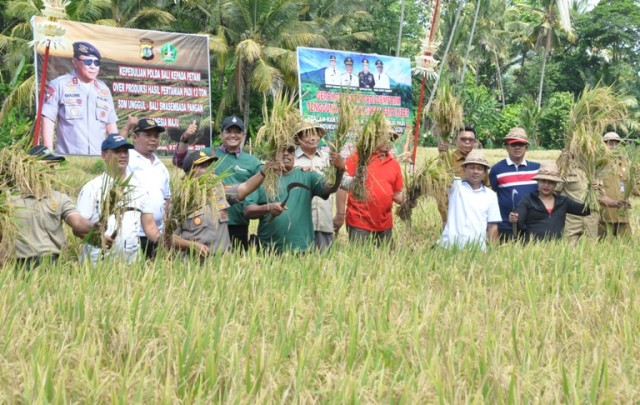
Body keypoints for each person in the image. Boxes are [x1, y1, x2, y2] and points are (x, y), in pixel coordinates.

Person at [173, 115, 263, 250]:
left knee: (231, 262)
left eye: (237, 132)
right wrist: (185, 138)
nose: (233, 135)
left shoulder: (252, 161)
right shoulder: (209, 154)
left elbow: (254, 184)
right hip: (204, 223)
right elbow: (180, 162)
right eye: (228, 131)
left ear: (243, 135)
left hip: (237, 222)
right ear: (221, 134)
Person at [243, 145, 345, 254]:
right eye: (281, 149)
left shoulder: (307, 176)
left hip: (302, 251)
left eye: (291, 150)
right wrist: (268, 208)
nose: (286, 153)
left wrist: (339, 171)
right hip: (267, 251)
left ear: (294, 155)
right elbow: (248, 211)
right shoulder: (261, 179)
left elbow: (330, 188)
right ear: (273, 153)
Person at [171, 149, 273, 258]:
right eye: (204, 167)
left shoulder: (219, 191)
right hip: (193, 266)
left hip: (222, 266)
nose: (211, 170)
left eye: (210, 166)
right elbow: (169, 238)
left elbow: (245, 187)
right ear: (190, 172)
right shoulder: (180, 201)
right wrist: (192, 245)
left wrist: (264, 171)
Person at [77, 134, 161, 263]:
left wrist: (167, 244)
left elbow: (150, 228)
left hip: (131, 263)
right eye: (117, 151)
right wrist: (98, 239)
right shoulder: (92, 187)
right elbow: (77, 228)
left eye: (125, 151)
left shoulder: (139, 188)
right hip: (97, 262)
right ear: (104, 155)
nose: (123, 155)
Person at [10, 146, 94, 268]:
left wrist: (94, 228)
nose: (51, 171)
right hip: (16, 266)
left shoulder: (60, 199)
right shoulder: (10, 199)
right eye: (46, 166)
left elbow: (77, 221)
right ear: (30, 168)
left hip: (51, 266)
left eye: (53, 166)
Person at [41, 41, 117, 155]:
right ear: (75, 62)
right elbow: (48, 119)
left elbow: (111, 126)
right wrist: (48, 152)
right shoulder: (59, 85)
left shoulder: (104, 90)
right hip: (70, 159)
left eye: (96, 62)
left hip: (99, 159)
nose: (93, 66)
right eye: (88, 61)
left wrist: (115, 152)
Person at [335, 130, 404, 246]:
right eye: (384, 138)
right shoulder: (359, 158)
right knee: (361, 261)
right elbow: (342, 185)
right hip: (359, 222)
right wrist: (340, 214)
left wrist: (412, 197)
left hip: (384, 224)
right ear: (374, 138)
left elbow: (397, 195)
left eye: (391, 139)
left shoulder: (394, 164)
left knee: (385, 261)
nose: (388, 142)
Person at [125, 118, 171, 259]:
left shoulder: (161, 166)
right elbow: (112, 146)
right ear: (134, 137)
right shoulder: (126, 159)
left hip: (157, 234)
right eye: (148, 135)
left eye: (156, 136)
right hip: (133, 234)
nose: (153, 139)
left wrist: (168, 227)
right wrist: (127, 126)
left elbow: (167, 198)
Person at [509, 162, 590, 241]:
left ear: (556, 184)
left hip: (555, 250)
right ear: (538, 181)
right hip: (533, 250)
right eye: (543, 181)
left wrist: (594, 191)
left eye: (551, 182)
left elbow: (585, 210)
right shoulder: (528, 200)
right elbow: (518, 222)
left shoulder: (562, 201)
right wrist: (513, 219)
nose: (546, 185)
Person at [439, 150, 501, 250]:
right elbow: (441, 173)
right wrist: (442, 152)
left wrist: (494, 252)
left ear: (485, 173)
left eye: (480, 169)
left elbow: (492, 226)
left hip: (476, 250)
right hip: (448, 247)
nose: (475, 171)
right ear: (464, 169)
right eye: (471, 167)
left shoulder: (491, 196)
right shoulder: (454, 185)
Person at [489, 128, 541, 241]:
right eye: (513, 144)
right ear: (507, 147)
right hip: (505, 225)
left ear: (526, 148)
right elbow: (491, 194)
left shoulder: (537, 169)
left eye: (520, 144)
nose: (517, 147)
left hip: (531, 226)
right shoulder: (497, 169)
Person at [293, 121, 336, 250]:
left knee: (324, 264)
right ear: (299, 138)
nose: (313, 138)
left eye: (315, 134)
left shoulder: (328, 160)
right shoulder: (291, 160)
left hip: (324, 221)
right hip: (299, 223)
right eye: (307, 135)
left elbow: (340, 182)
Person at [437, 126, 490, 225]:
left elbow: (487, 187)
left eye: (470, 140)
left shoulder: (480, 161)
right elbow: (441, 189)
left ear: (475, 142)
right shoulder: (448, 159)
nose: (467, 142)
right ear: (456, 140)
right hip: (453, 214)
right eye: (463, 139)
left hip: (477, 214)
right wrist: (446, 217)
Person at [555, 149, 599, 242]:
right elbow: (555, 192)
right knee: (569, 250)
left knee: (591, 250)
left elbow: (603, 193)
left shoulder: (595, 167)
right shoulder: (565, 167)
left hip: (591, 216)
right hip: (571, 218)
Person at [597, 132, 634, 237]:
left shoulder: (626, 164)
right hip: (604, 216)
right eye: (610, 143)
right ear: (604, 145)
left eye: (616, 143)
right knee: (602, 248)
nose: (614, 147)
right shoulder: (598, 164)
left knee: (626, 247)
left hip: (622, 214)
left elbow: (633, 186)